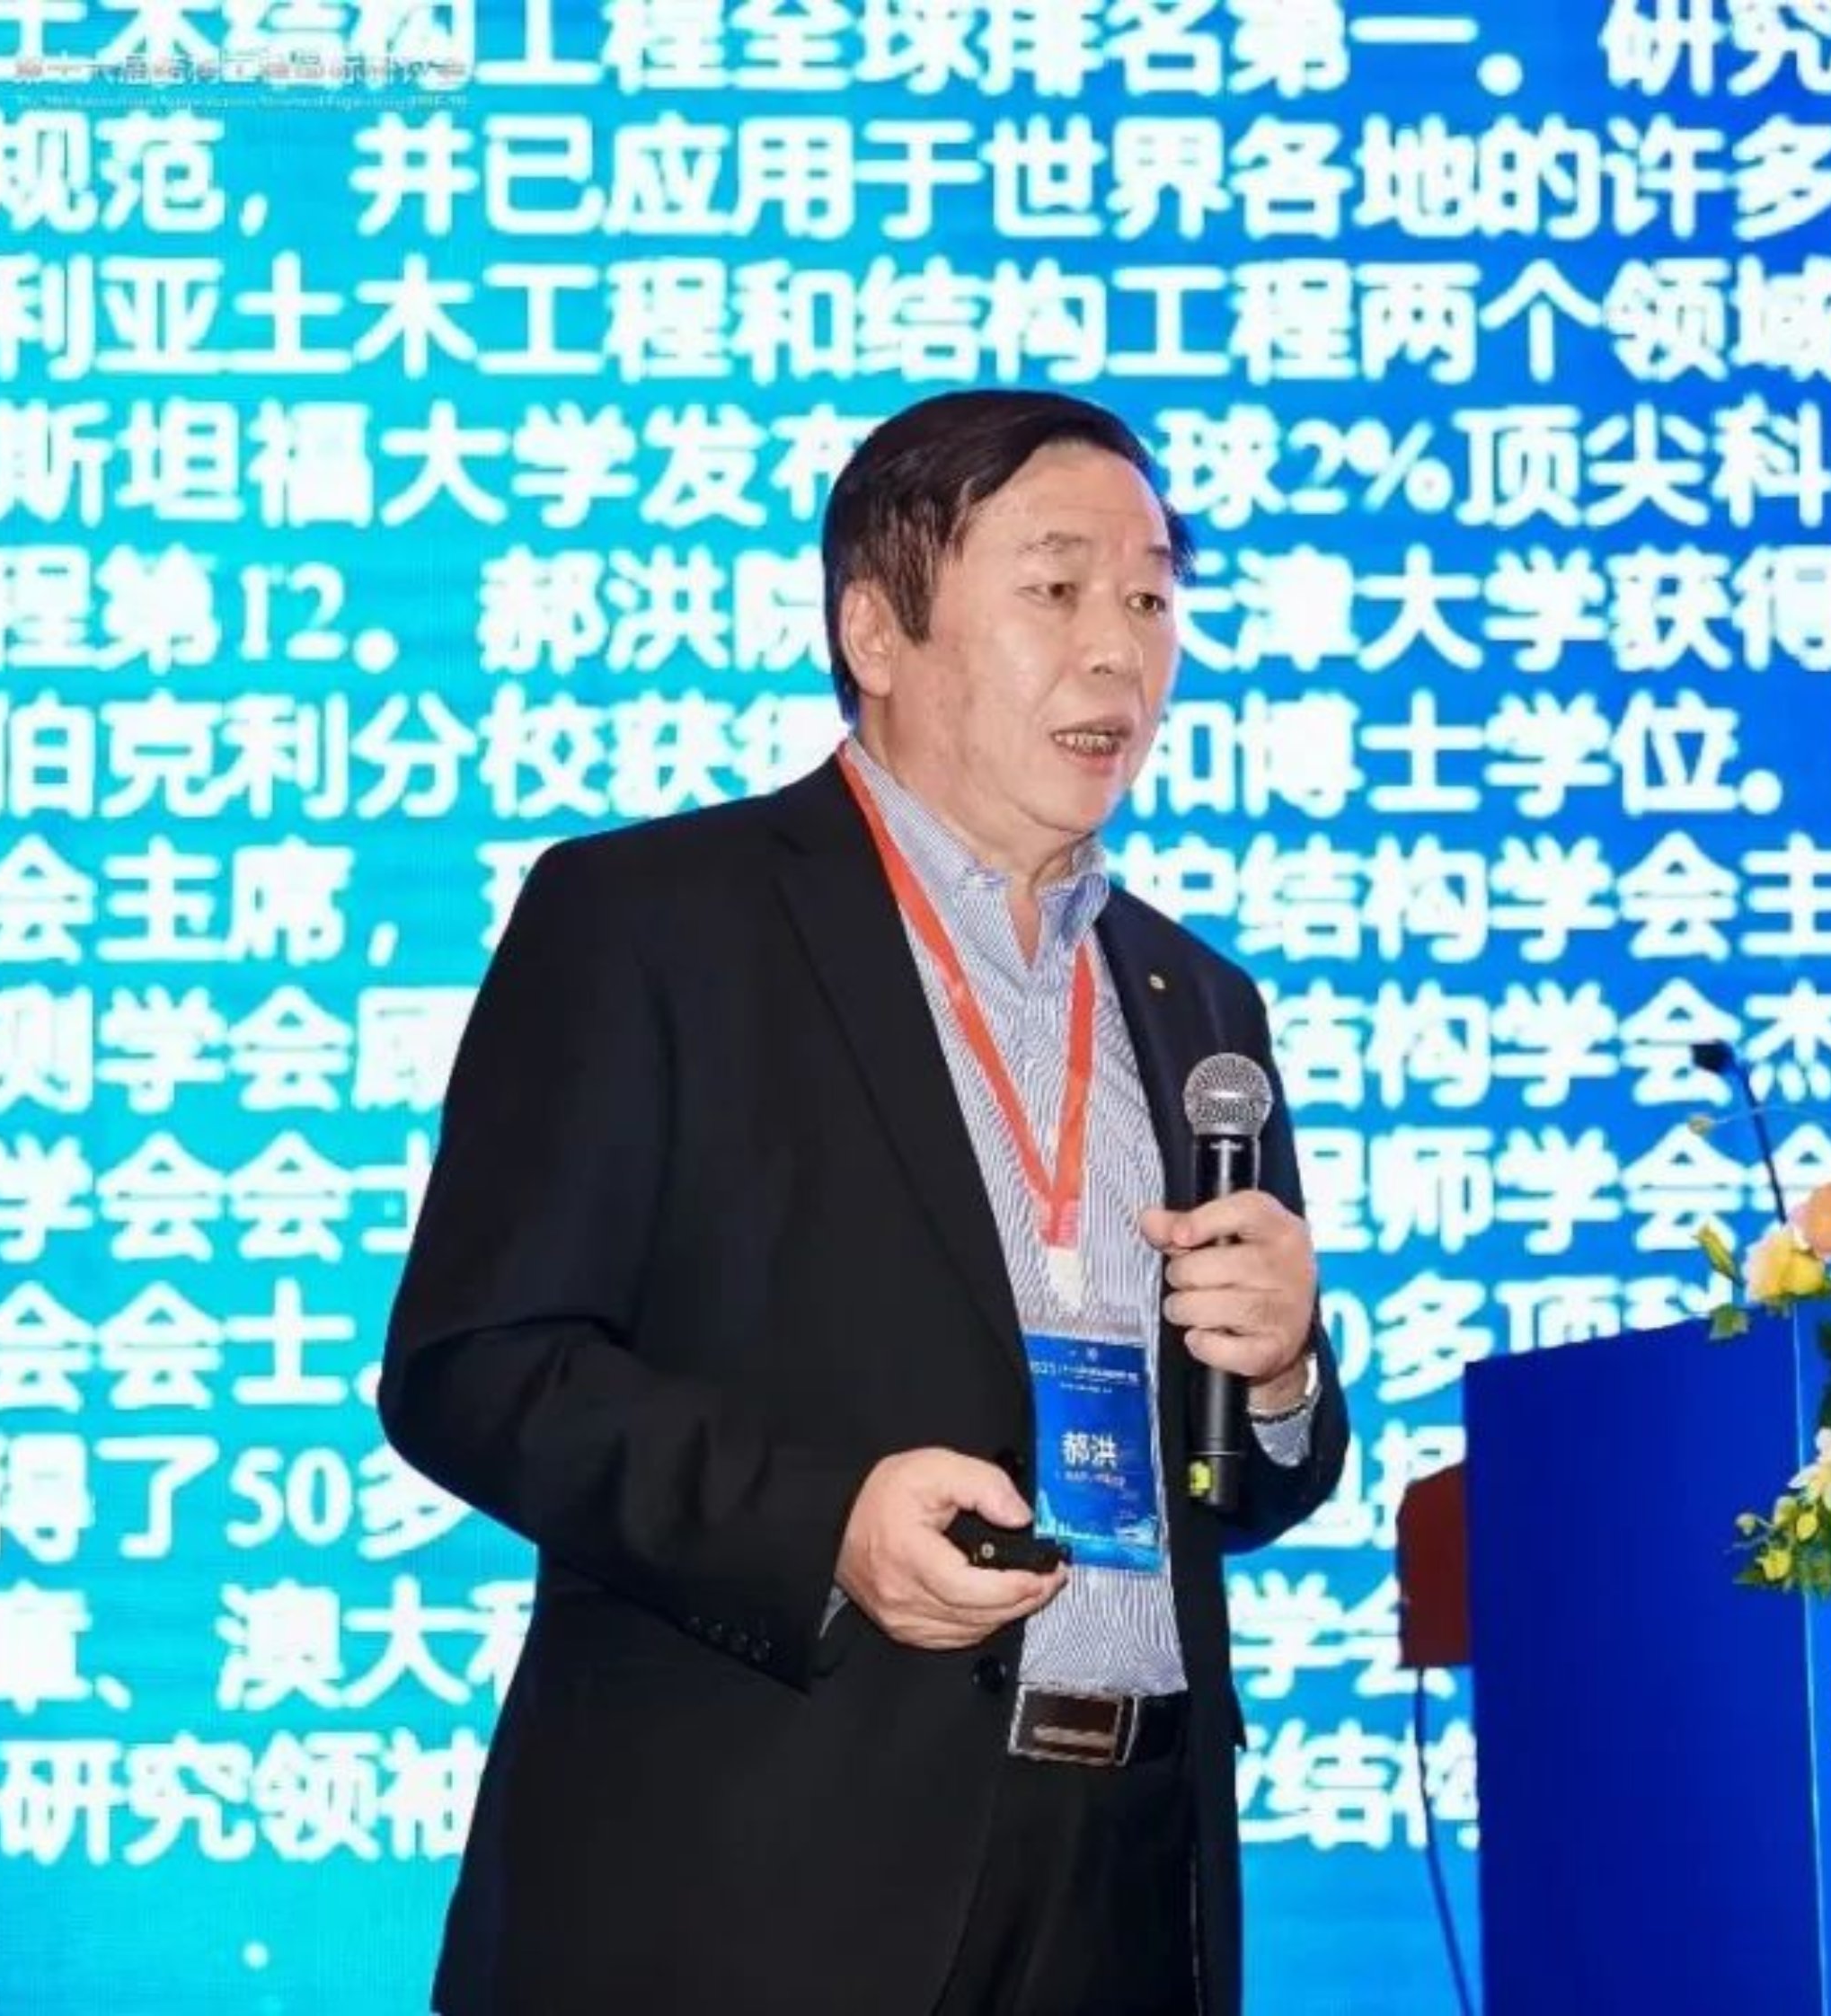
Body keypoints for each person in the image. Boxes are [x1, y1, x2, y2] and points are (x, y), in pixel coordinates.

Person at [378, 387, 1350, 2016]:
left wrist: (1278, 1376)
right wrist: (822, 1525)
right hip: (760, 1875)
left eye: (1150, 598)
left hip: (1126, 1873)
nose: (1118, 654)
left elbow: (1240, 1489)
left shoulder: (1194, 999)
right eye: (1056, 589)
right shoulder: (654, 921)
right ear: (875, 631)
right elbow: (477, 1365)